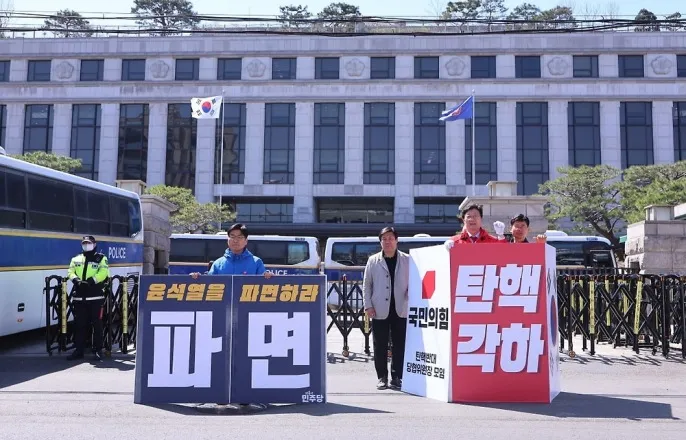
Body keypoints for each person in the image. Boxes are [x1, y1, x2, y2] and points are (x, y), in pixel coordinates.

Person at [362, 226, 409, 390]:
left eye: (391, 238)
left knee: (399, 344)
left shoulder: (407, 260)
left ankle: (397, 377)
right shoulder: (373, 260)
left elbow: (414, 283)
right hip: (378, 308)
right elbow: (367, 285)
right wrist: (368, 306)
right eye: (384, 239)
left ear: (397, 240)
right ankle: (382, 377)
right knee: (379, 345)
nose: (388, 241)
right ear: (380, 242)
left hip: (401, 308)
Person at [66, 235, 110, 361]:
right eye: (84, 243)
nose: (86, 245)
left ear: (94, 244)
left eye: (89, 243)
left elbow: (103, 273)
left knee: (97, 325)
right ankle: (79, 351)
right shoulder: (76, 259)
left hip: (96, 297)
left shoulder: (101, 258)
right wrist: (76, 280)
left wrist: (92, 281)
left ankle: (98, 350)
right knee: (79, 325)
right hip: (80, 297)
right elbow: (70, 272)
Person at [190, 224, 272, 279]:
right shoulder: (218, 264)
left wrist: (269, 277)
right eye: (232, 237)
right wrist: (197, 278)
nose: (235, 240)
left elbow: (264, 284)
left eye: (239, 237)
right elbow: (208, 283)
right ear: (227, 240)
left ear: (246, 241)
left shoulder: (256, 262)